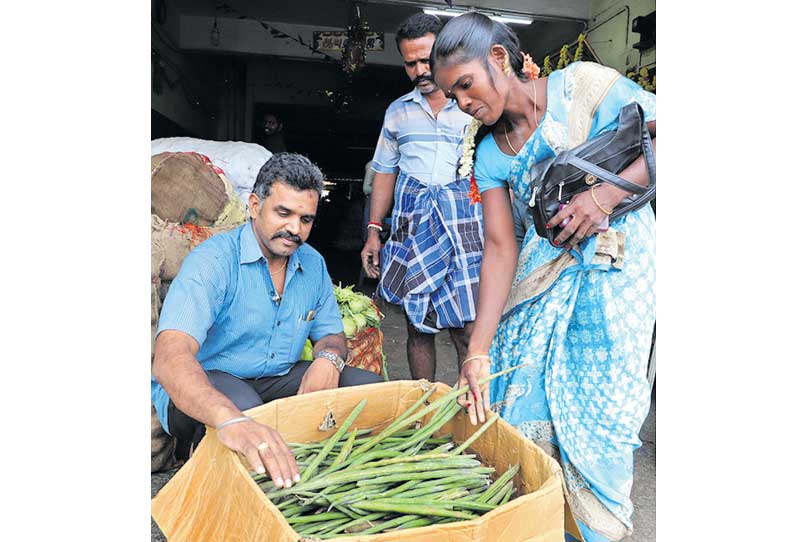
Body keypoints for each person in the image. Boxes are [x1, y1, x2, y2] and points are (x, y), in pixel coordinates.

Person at [431, 13, 656, 542]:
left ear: (500, 60)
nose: (463, 102)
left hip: (615, 285)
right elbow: (500, 248)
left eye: (466, 84)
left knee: (602, 424)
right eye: (452, 95)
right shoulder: (488, 154)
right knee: (525, 411)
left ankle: (595, 532)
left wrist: (603, 196)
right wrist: (477, 351)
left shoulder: (584, 86)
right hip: (539, 290)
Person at [152, 153, 382, 489]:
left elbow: (331, 333)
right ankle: (222, 467)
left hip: (276, 378)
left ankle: (338, 486)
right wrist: (229, 419)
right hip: (209, 384)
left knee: (369, 391)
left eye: (306, 219)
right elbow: (170, 359)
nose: (294, 229)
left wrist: (328, 360)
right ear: (255, 205)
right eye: (283, 213)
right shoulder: (213, 262)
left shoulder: (312, 264)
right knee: (249, 414)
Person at [360, 13, 484, 381]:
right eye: (410, 63)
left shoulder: (471, 104)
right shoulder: (398, 112)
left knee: (466, 328)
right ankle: (422, 413)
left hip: (464, 228)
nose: (419, 70)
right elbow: (384, 172)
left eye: (426, 60)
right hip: (413, 226)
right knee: (418, 325)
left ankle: (470, 413)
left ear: (444, 52)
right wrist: (372, 230)